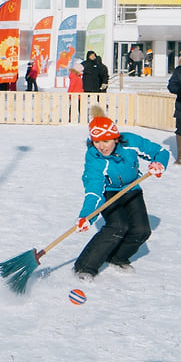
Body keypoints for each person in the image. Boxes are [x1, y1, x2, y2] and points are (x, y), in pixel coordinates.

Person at [72, 116, 168, 280]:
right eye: (97, 142)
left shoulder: (130, 142)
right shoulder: (94, 159)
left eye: (106, 141)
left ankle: (117, 258)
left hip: (132, 188)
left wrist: (158, 164)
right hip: (109, 192)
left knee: (142, 230)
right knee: (117, 226)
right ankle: (84, 267)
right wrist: (87, 216)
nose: (102, 147)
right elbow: (94, 190)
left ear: (116, 138)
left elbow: (160, 151)